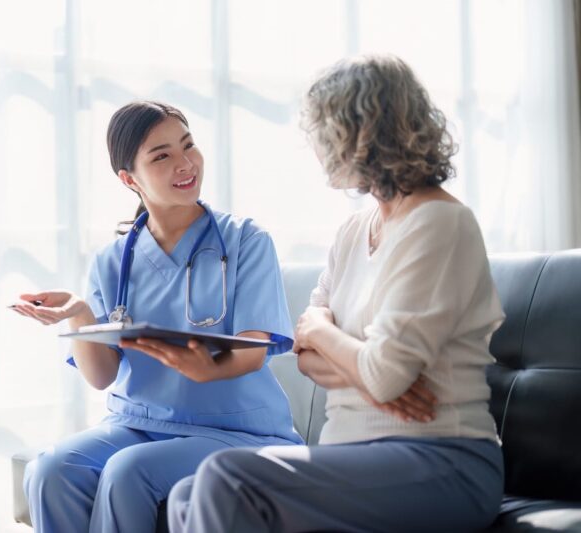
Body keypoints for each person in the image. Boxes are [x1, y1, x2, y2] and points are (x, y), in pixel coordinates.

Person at [167, 55, 506, 533]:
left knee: (228, 479)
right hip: (352, 457)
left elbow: (367, 367)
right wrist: (363, 368)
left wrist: (321, 331)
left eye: (325, 132)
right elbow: (307, 359)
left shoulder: (439, 224)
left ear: (364, 133)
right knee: (187, 492)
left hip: (443, 460)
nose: (318, 147)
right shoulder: (354, 230)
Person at [12, 101, 303, 533]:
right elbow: (102, 377)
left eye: (188, 146)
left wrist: (209, 367)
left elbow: (253, 351)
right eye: (162, 156)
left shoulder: (246, 241)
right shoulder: (113, 260)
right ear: (130, 179)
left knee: (129, 472)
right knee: (50, 469)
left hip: (241, 433)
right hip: (137, 423)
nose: (185, 164)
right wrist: (80, 316)